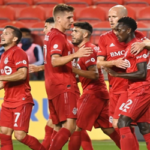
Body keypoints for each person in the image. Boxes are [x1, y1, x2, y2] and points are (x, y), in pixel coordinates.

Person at [43, 4, 92, 150]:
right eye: (68, 17)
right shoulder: (58, 37)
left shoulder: (52, 35)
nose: (72, 20)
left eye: (72, 17)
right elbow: (55, 61)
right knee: (71, 125)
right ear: (58, 18)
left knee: (57, 126)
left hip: (53, 85)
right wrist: (76, 54)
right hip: (63, 85)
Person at [96, 5, 146, 141]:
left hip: (130, 87)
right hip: (114, 88)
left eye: (114, 17)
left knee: (120, 123)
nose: (111, 20)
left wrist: (145, 44)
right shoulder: (104, 38)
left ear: (123, 18)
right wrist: (114, 62)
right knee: (127, 126)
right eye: (109, 17)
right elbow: (99, 63)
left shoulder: (138, 36)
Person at [69, 21, 120, 150]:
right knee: (108, 129)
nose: (72, 34)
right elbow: (87, 74)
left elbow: (94, 74)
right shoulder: (86, 49)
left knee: (75, 126)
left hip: (93, 93)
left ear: (85, 34)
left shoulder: (88, 49)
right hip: (100, 93)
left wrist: (73, 70)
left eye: (76, 31)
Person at [105, 17, 150, 150]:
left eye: (119, 30)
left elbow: (142, 73)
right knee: (144, 127)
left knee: (122, 122)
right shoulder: (130, 47)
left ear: (129, 30)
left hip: (141, 90)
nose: (117, 33)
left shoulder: (137, 46)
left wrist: (117, 75)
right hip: (136, 89)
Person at [0, 26, 46, 150]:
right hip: (8, 101)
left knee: (20, 135)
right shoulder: (4, 55)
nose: (2, 35)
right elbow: (5, 81)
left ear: (15, 38)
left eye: (6, 34)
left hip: (21, 100)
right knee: (4, 133)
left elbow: (22, 74)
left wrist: (1, 77)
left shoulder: (18, 52)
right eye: (2, 33)